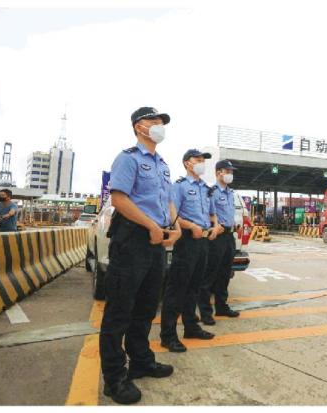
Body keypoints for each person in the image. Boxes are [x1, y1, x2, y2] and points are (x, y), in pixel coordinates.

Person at [99, 106, 181, 405]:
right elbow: (119, 198)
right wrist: (151, 226)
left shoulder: (162, 164)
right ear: (138, 127)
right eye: (153, 121)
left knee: (146, 307)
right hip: (132, 238)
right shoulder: (128, 158)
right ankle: (114, 379)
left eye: (162, 122)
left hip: (156, 240)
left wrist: (175, 227)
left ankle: (141, 361)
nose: (159, 126)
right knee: (120, 310)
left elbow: (167, 200)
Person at [160, 149, 222, 352]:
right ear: (187, 163)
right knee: (177, 289)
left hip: (203, 242)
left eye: (204, 160)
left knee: (194, 288)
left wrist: (215, 226)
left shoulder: (206, 188)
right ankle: (168, 335)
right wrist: (191, 226)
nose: (202, 163)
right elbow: (173, 215)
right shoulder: (180, 186)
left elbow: (212, 213)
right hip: (186, 240)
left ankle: (191, 327)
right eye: (198, 159)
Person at [198, 160, 240, 325]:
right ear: (218, 173)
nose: (230, 174)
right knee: (210, 275)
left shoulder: (230, 193)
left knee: (225, 273)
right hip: (217, 237)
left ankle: (222, 306)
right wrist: (215, 226)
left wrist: (232, 224)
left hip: (229, 236)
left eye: (231, 172)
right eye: (227, 171)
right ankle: (205, 312)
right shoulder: (212, 191)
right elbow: (206, 213)